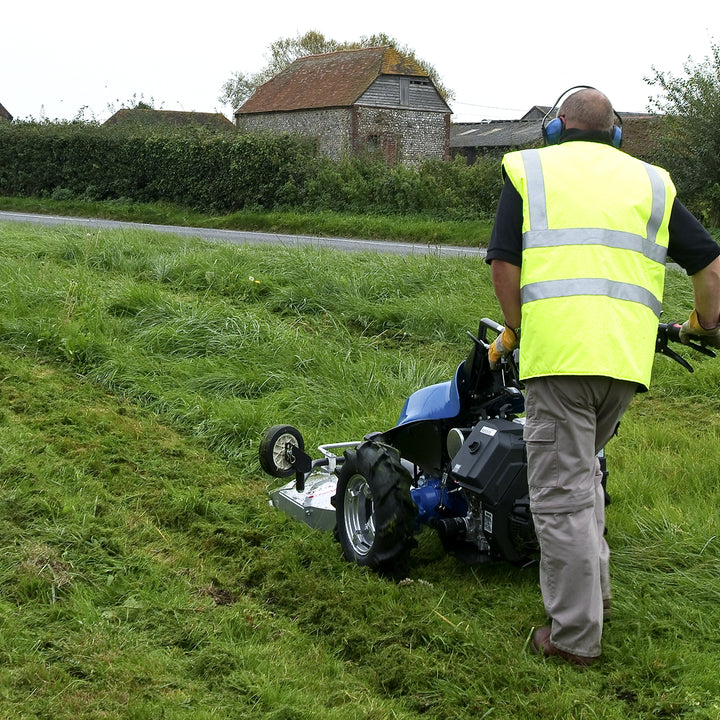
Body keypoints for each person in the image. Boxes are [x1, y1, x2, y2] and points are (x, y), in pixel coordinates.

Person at [486, 87, 720, 666]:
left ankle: (572, 639)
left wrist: (515, 330)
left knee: (561, 498)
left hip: (561, 359)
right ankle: (597, 600)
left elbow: (504, 264)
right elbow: (710, 265)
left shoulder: (531, 171)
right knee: (583, 479)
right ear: (615, 133)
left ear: (555, 129)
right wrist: (705, 325)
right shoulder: (651, 182)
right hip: (624, 363)